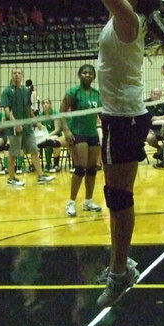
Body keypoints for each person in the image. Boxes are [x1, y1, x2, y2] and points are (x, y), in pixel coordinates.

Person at [65, 0, 164, 307]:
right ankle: (119, 267)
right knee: (117, 195)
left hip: (124, 118)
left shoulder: (128, 19)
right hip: (122, 117)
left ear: (133, 1)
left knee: (117, 196)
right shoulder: (128, 19)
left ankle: (119, 270)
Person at [62, 64, 104, 217]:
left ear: (94, 76)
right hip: (78, 133)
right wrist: (66, 130)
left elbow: (101, 114)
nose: (88, 75)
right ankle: (71, 202)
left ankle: (88, 200)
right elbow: (61, 113)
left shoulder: (96, 94)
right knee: (80, 168)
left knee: (92, 169)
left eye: (90, 73)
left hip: (92, 133)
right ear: (80, 75)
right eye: (85, 73)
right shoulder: (73, 92)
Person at [1, 67, 55, 186]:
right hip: (14, 127)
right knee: (14, 153)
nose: (16, 75)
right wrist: (15, 123)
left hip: (27, 127)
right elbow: (6, 110)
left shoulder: (26, 91)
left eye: (19, 73)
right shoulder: (7, 91)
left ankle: (40, 176)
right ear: (11, 75)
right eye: (14, 73)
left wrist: (35, 121)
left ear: (22, 76)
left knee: (34, 150)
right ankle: (11, 178)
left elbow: (28, 108)